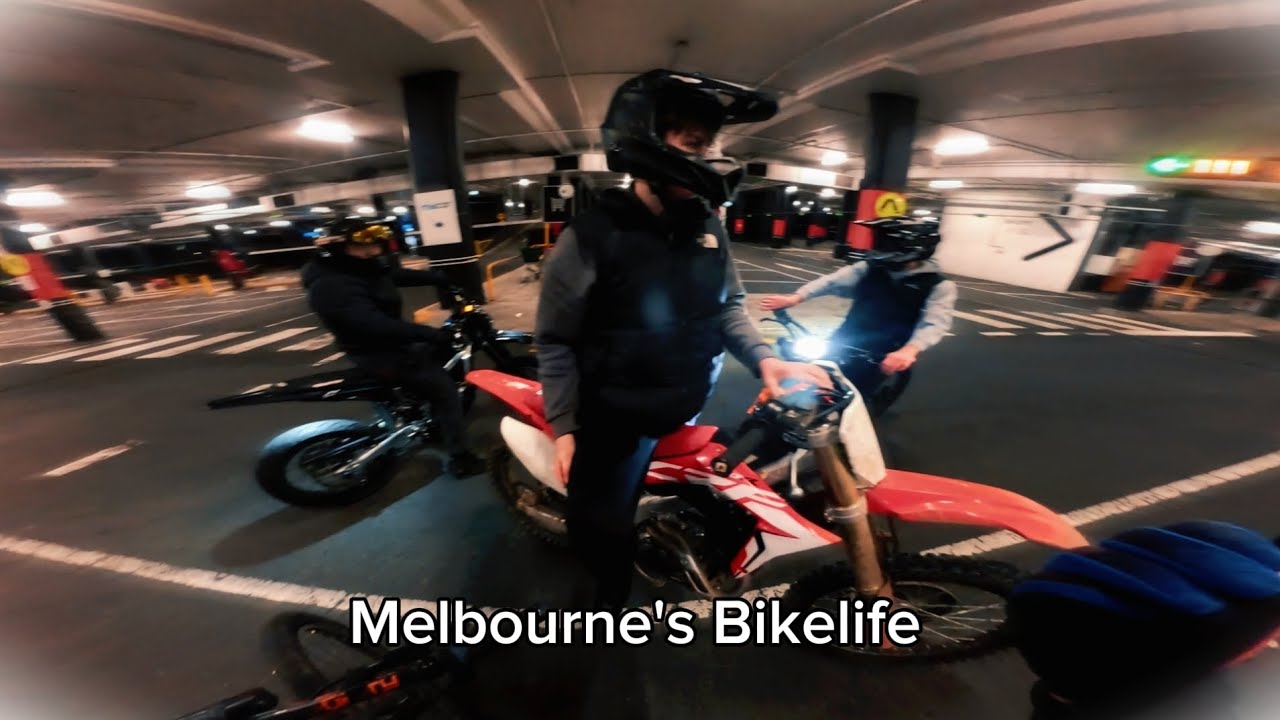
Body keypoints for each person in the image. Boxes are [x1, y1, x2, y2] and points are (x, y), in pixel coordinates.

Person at [534, 69, 831, 611]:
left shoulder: (706, 225)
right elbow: (555, 339)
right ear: (645, 139)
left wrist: (764, 358)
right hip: (611, 418)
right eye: (695, 142)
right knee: (602, 524)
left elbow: (726, 306)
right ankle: (606, 603)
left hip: (681, 397)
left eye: (712, 144)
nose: (710, 157)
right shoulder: (592, 236)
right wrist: (564, 429)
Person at [300, 217, 485, 477]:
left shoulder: (358, 267)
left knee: (438, 357)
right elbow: (372, 324)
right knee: (445, 393)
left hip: (389, 343)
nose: (373, 252)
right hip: (379, 352)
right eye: (363, 247)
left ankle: (429, 418)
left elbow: (391, 275)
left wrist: (438, 278)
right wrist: (428, 333)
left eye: (376, 246)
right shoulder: (331, 285)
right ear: (336, 248)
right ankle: (461, 458)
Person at [759, 216, 956, 405]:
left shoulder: (939, 286)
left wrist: (909, 350)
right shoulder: (869, 268)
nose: (877, 246)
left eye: (886, 242)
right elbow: (831, 282)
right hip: (846, 337)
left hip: (886, 351)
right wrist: (796, 297)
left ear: (912, 247)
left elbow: (935, 323)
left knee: (855, 398)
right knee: (811, 373)